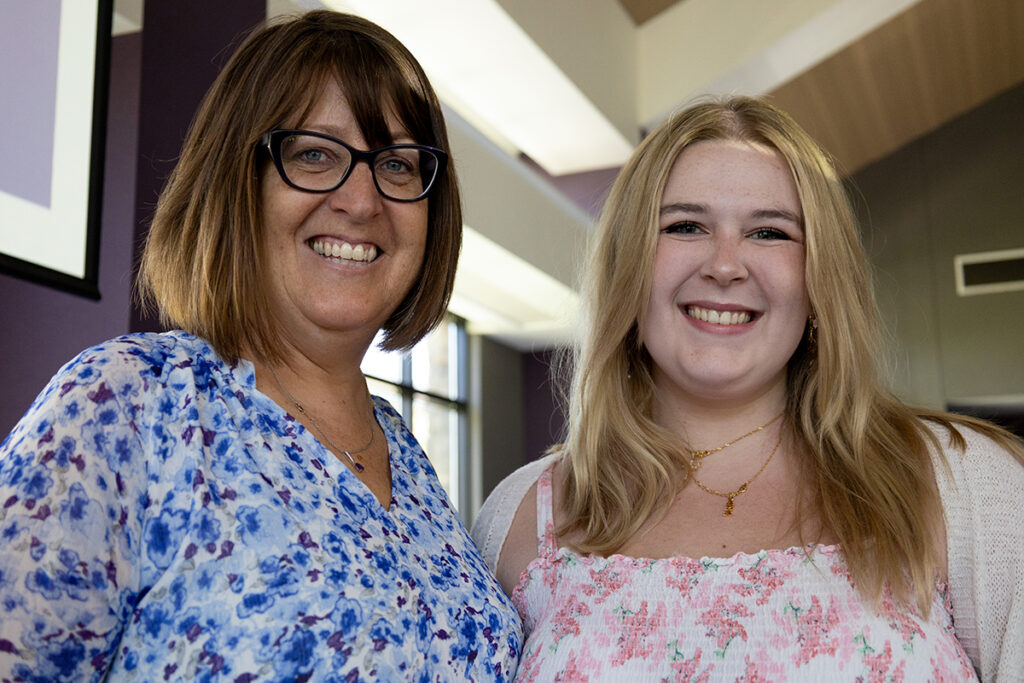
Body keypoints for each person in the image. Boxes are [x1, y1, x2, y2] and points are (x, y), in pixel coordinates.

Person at [0, 10, 521, 681]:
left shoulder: (411, 462)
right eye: (314, 154)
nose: (361, 200)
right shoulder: (130, 403)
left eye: (396, 164)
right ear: (236, 182)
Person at [471, 96, 1024, 681]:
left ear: (818, 282)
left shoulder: (966, 484)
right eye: (685, 226)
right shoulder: (522, 512)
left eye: (769, 232)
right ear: (627, 268)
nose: (725, 264)